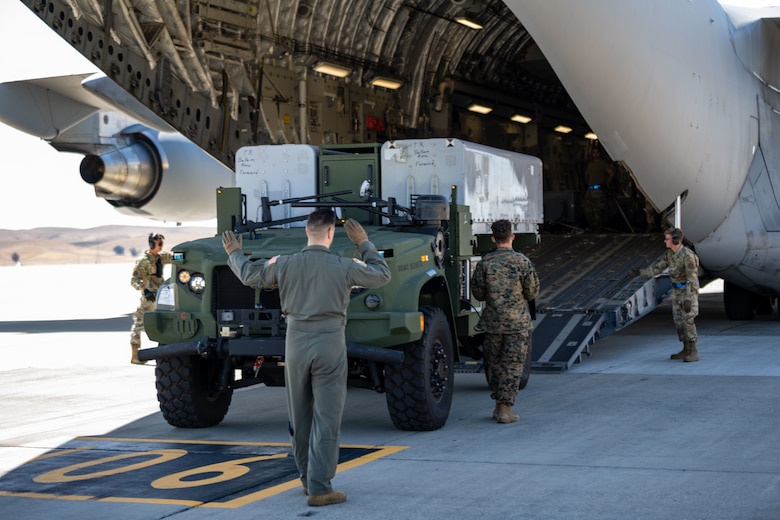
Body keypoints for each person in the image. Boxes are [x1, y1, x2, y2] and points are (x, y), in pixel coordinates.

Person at [222, 210, 390, 507]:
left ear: (306, 232)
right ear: (330, 234)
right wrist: (364, 243)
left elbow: (249, 275)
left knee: (300, 417)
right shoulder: (344, 266)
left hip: (295, 342)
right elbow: (381, 275)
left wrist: (235, 252)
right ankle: (320, 487)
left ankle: (306, 480)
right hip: (329, 342)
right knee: (327, 417)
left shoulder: (284, 264)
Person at [470, 219, 540, 424]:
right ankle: (505, 410)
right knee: (513, 366)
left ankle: (498, 406)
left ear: (493, 238)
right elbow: (532, 292)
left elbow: (478, 293)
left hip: (492, 323)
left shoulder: (485, 262)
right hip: (517, 324)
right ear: (512, 236)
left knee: (494, 365)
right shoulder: (522, 262)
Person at [631, 227, 700, 361]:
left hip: (687, 292)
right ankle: (685, 348)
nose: (665, 241)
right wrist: (641, 272)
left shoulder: (687, 256)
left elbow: (693, 279)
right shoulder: (669, 254)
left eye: (667, 239)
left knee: (688, 320)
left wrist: (688, 298)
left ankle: (694, 351)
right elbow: (658, 268)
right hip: (676, 291)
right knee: (679, 321)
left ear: (675, 240)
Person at [130, 233, 172, 365]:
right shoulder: (144, 261)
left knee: (166, 323)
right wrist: (145, 289)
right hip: (149, 297)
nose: (160, 246)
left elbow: (174, 257)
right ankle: (135, 355)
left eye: (161, 244)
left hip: (162, 296)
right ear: (152, 244)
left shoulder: (161, 257)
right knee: (139, 324)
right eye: (158, 243)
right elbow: (134, 280)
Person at [583, 147, 615, 231]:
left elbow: (611, 173)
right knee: (588, 209)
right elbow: (586, 174)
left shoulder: (603, 163)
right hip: (590, 190)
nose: (595, 154)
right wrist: (586, 184)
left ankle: (598, 227)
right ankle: (592, 226)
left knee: (598, 210)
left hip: (598, 190)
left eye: (597, 152)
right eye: (593, 152)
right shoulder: (590, 164)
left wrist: (606, 183)